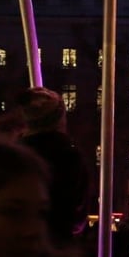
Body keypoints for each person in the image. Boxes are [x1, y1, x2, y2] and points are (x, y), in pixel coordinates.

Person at [17, 87, 88, 244]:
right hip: (56, 241)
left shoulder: (13, 152)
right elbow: (76, 209)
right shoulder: (68, 155)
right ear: (60, 118)